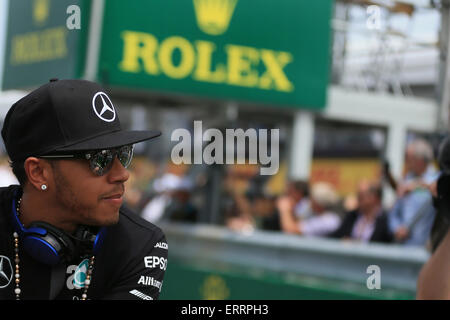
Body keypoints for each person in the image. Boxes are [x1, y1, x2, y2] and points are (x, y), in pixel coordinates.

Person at [0, 79, 167, 300]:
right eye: (100, 159)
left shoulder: (140, 244)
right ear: (38, 172)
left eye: (123, 153)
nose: (122, 174)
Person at [388, 138, 439, 246]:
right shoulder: (406, 179)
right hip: (402, 245)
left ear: (419, 161)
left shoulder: (437, 180)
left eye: (409, 159)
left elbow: (435, 189)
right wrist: (396, 228)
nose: (406, 163)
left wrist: (415, 186)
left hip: (425, 248)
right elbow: (394, 213)